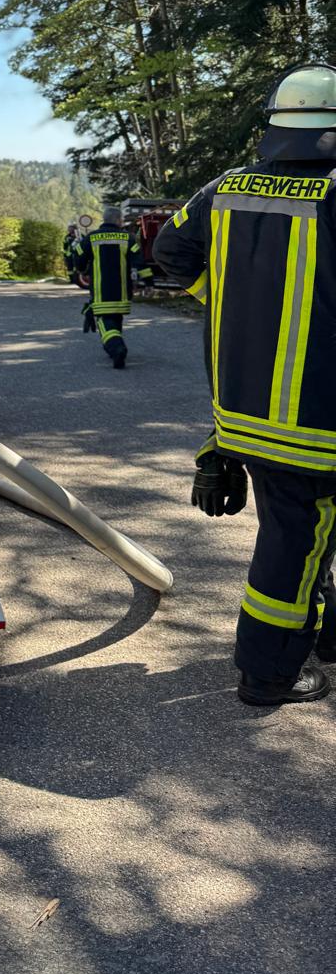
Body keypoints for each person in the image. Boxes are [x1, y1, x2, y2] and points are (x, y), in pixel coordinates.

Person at [154, 63, 336, 706]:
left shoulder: (226, 188)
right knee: (295, 539)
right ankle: (268, 673)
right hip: (319, 420)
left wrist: (230, 305)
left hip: (245, 413)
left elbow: (169, 252)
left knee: (303, 533)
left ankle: (322, 634)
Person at [73, 204, 153, 368]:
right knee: (116, 318)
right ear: (117, 220)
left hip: (101, 292)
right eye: (122, 219)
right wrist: (148, 282)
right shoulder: (128, 238)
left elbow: (78, 255)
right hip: (122, 292)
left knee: (104, 321)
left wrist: (82, 269)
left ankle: (117, 348)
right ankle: (115, 345)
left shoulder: (92, 238)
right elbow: (139, 262)